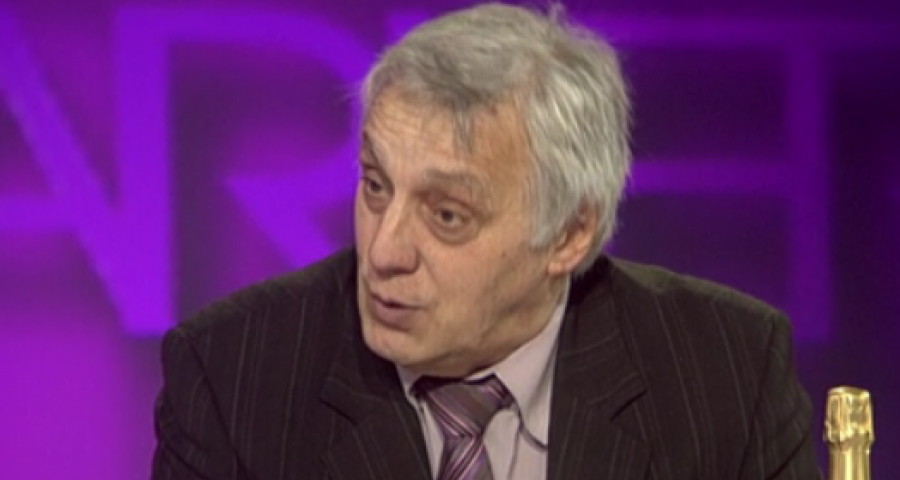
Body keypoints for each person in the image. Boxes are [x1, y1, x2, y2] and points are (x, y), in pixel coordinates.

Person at [150, 3, 821, 479]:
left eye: (447, 216)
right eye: (376, 186)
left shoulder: (727, 375)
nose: (383, 253)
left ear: (569, 233)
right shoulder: (235, 377)